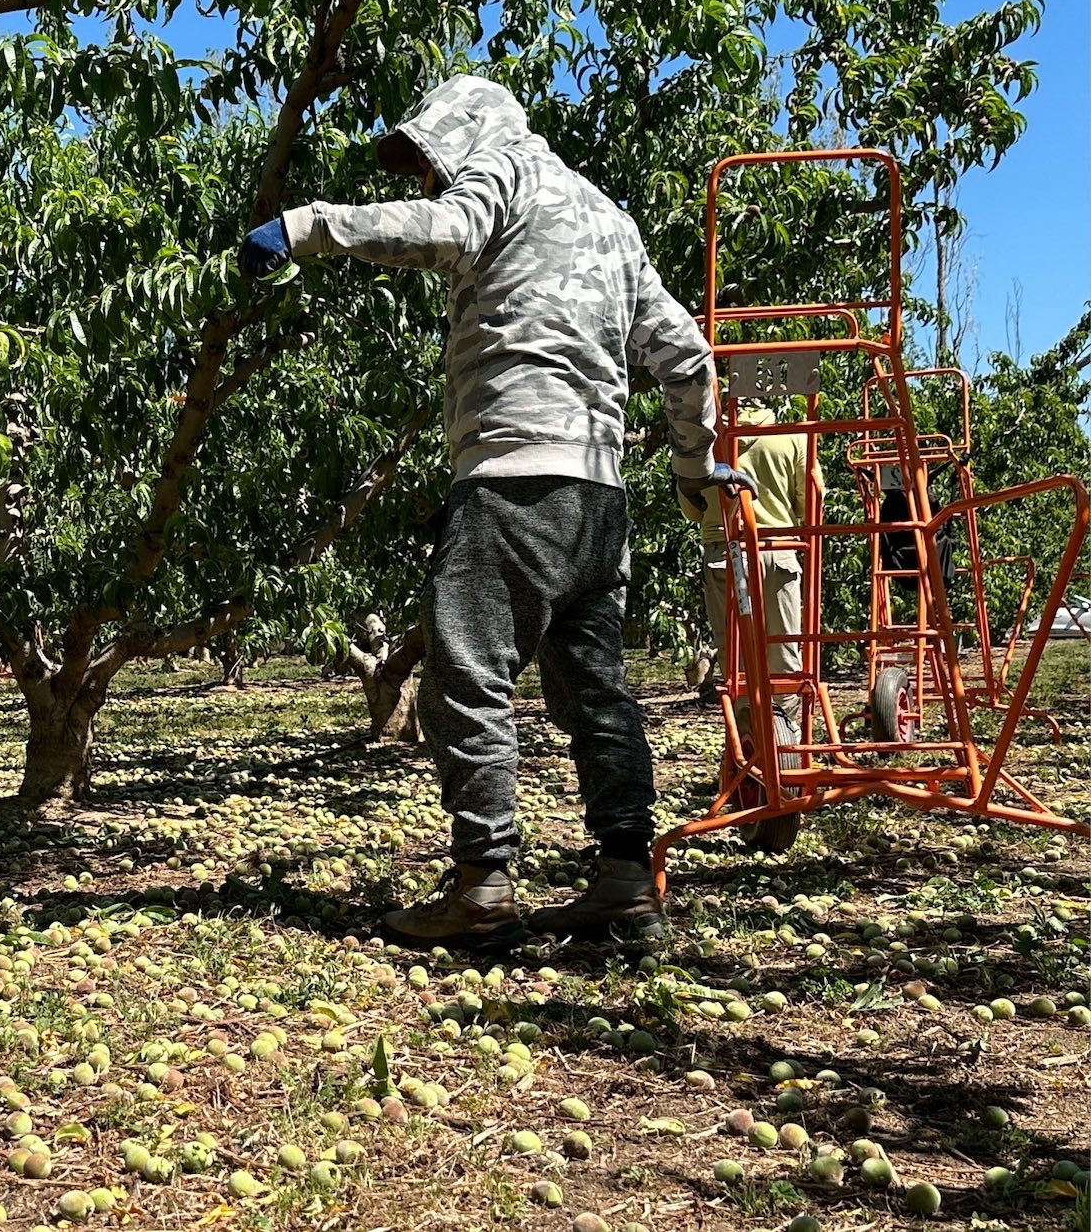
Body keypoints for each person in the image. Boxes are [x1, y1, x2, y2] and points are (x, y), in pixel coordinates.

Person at [239, 75, 751, 948]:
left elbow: (447, 230)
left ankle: (481, 885)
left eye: (437, 160)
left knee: (464, 675)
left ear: (468, 135)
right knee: (595, 690)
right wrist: (694, 462)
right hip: (599, 498)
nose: (434, 180)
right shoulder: (610, 219)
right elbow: (687, 353)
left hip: (514, 473)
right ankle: (627, 876)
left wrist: (305, 226)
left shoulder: (505, 172)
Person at [680, 400, 818, 747]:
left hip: (723, 550)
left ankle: (747, 738)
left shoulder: (703, 440)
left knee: (735, 656)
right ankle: (791, 744)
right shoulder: (791, 437)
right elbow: (809, 501)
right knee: (784, 652)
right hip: (778, 548)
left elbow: (690, 505)